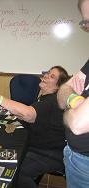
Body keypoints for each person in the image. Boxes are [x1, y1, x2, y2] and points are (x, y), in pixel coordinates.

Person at [0, 66, 69, 188]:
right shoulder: (44, 98)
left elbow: (28, 114)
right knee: (5, 153)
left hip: (50, 153)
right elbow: (28, 114)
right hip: (36, 146)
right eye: (47, 73)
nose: (46, 75)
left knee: (17, 171)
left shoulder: (52, 101)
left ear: (58, 86)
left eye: (52, 76)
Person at [57, 1, 89, 187]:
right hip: (75, 158)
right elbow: (63, 91)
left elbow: (77, 124)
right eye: (86, 22)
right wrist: (74, 99)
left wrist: (69, 113)